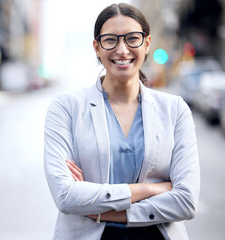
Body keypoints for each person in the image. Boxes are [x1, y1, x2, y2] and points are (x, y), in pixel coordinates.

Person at [44, 3, 200, 240]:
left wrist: (104, 212)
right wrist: (150, 189)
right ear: (96, 47)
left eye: (132, 38)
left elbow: (186, 201)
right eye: (110, 40)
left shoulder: (175, 109)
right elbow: (66, 196)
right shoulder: (66, 108)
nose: (122, 49)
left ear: (146, 44)